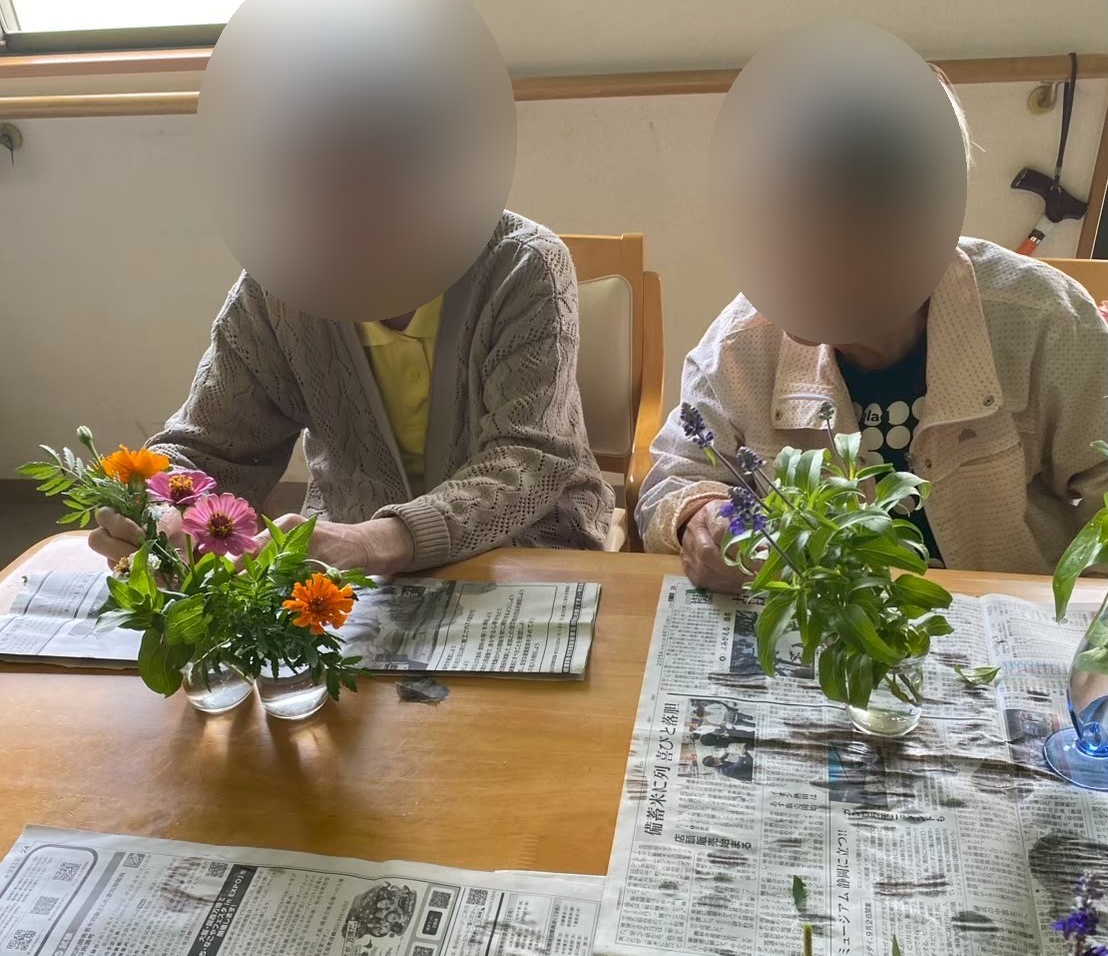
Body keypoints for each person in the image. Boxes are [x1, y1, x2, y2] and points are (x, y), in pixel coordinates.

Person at [637, 75, 1108, 589]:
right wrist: (698, 517)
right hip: (830, 618)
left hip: (1005, 611)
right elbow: (674, 477)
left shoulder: (1044, 319)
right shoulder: (740, 343)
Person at [90, 211, 614, 574]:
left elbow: (528, 457)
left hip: (525, 549)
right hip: (346, 577)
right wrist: (153, 504)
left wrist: (376, 541)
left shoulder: (522, 263)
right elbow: (207, 444)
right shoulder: (277, 285)